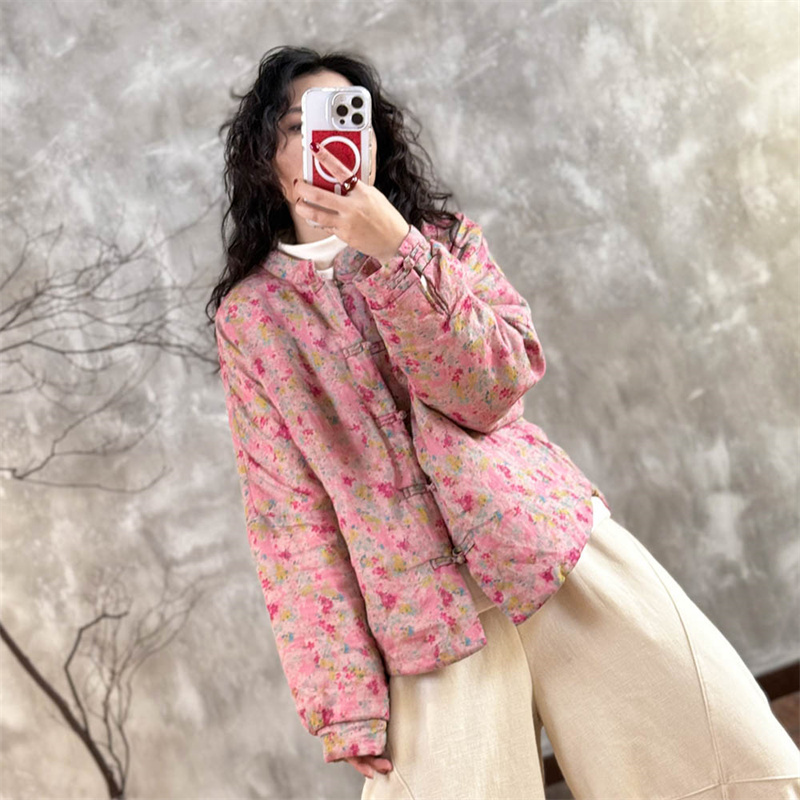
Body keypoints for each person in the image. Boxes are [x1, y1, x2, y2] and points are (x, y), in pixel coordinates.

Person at [207, 45, 800, 799]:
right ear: (266, 156)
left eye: (349, 117)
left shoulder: (441, 241)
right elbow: (288, 517)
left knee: (722, 757)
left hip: (548, 550)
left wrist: (396, 252)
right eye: (300, 124)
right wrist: (342, 699)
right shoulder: (252, 319)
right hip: (423, 617)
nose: (330, 138)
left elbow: (495, 387)